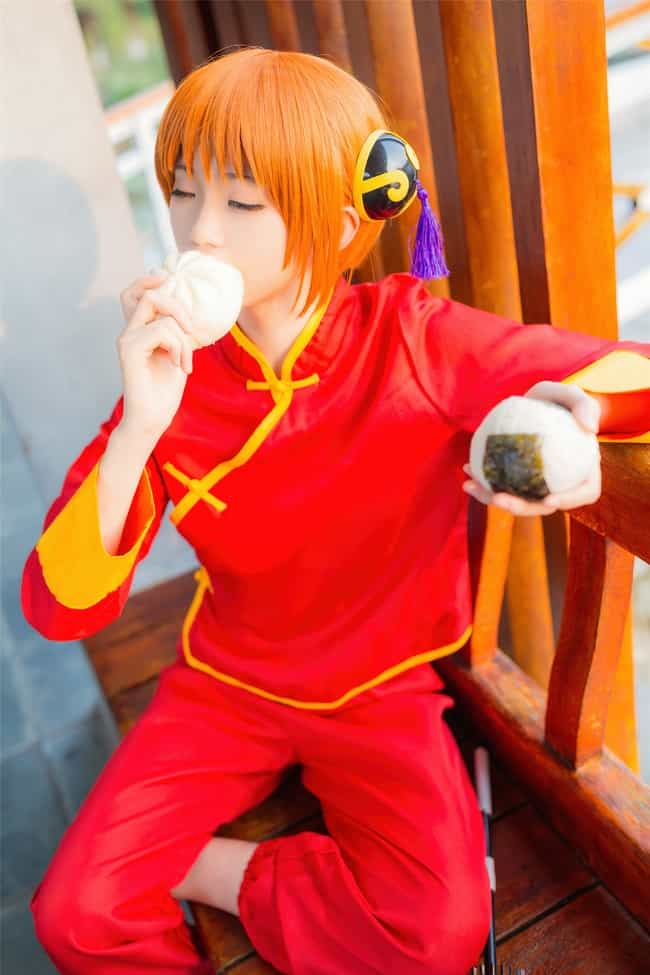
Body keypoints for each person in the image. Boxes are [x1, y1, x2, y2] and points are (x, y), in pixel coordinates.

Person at [22, 47, 649, 975]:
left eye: (241, 203)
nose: (200, 231)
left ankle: (203, 867)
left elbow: (626, 370)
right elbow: (58, 604)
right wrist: (139, 425)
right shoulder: (171, 374)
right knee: (74, 914)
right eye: (183, 193)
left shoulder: (411, 339)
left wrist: (574, 415)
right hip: (226, 681)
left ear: (341, 218)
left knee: (437, 933)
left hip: (378, 688)